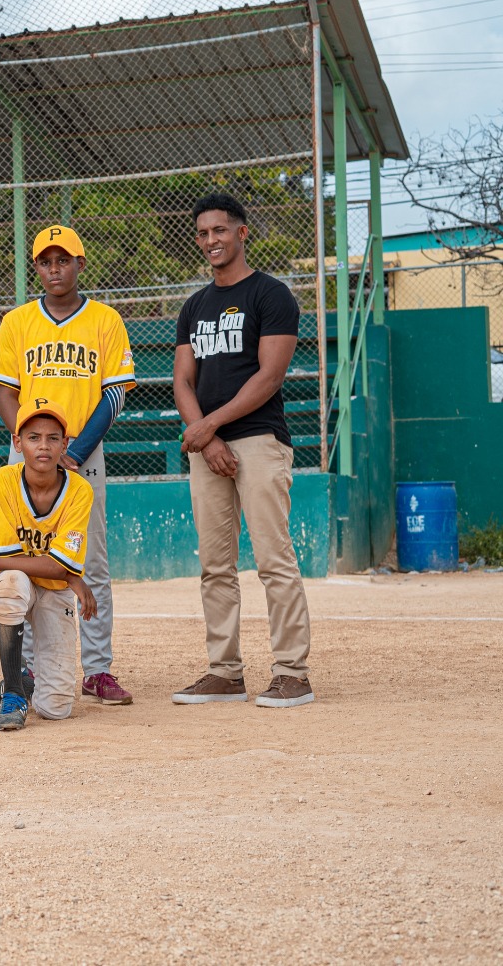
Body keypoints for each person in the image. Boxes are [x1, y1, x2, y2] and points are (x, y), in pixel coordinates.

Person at [171, 193, 312, 708]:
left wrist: (209, 427)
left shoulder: (272, 295)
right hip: (208, 446)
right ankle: (225, 673)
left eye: (220, 231)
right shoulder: (194, 305)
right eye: (203, 233)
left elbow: (269, 376)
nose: (211, 240)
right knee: (215, 565)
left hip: (258, 440)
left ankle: (292, 672)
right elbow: (183, 380)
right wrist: (205, 438)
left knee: (274, 560)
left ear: (242, 232)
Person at [0, 224, 136, 706]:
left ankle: (97, 669)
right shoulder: (17, 322)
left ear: (80, 264)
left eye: (63, 260)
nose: (54, 269)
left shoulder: (105, 320)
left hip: (82, 453)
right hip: (28, 453)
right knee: (25, 554)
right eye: (46, 262)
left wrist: (76, 449)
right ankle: (27, 667)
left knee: (90, 561)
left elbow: (114, 392)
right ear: (37, 269)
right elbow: (4, 390)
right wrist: (25, 443)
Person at [0, 401, 97, 731]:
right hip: (27, 582)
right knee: (10, 582)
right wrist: (65, 573)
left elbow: (59, 564)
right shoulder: (3, 480)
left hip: (55, 589)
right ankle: (15, 694)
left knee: (56, 708)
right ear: (18, 443)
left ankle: (22, 682)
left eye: (53, 438)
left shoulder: (79, 490)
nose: (44, 446)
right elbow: (33, 566)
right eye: (33, 437)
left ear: (66, 444)